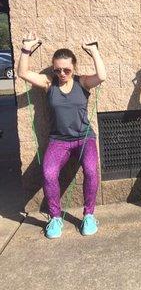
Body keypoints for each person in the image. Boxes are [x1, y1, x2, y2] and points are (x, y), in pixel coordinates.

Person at [17, 32, 106, 239]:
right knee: (48, 173)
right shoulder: (49, 83)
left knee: (92, 170)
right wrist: (26, 48)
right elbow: (23, 73)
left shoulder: (82, 82)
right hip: (59, 141)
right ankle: (55, 218)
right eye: (58, 69)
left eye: (67, 69)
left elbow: (101, 76)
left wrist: (93, 51)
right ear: (54, 68)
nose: (62, 73)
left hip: (85, 138)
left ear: (73, 67)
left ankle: (89, 215)